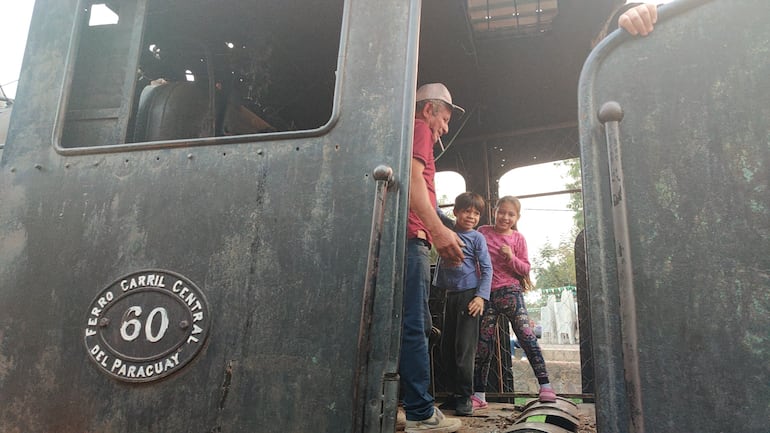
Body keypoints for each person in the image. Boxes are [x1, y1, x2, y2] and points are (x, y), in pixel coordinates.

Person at [401, 83, 465, 432]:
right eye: (445, 119)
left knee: (417, 322)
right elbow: (413, 188)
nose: (444, 128)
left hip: (415, 237)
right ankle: (420, 413)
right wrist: (437, 233)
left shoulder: (413, 132)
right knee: (415, 324)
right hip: (412, 240)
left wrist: (445, 226)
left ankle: (414, 404)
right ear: (429, 110)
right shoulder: (420, 128)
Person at [472, 196, 557, 408]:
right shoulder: (483, 231)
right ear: (495, 211)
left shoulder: (518, 238)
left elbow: (526, 268)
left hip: (511, 293)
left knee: (526, 336)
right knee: (483, 344)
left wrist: (510, 257)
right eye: (502, 212)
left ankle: (545, 386)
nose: (505, 217)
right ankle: (479, 395)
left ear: (517, 217)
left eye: (511, 214)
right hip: (486, 295)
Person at [433, 192, 492, 416]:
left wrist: (480, 297)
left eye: (476, 213)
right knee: (446, 348)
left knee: (464, 349)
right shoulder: (448, 227)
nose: (471, 216)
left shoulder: (477, 238)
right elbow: (434, 210)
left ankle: (466, 397)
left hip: (469, 297)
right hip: (448, 295)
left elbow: (487, 269)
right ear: (456, 212)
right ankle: (455, 394)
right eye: (467, 211)